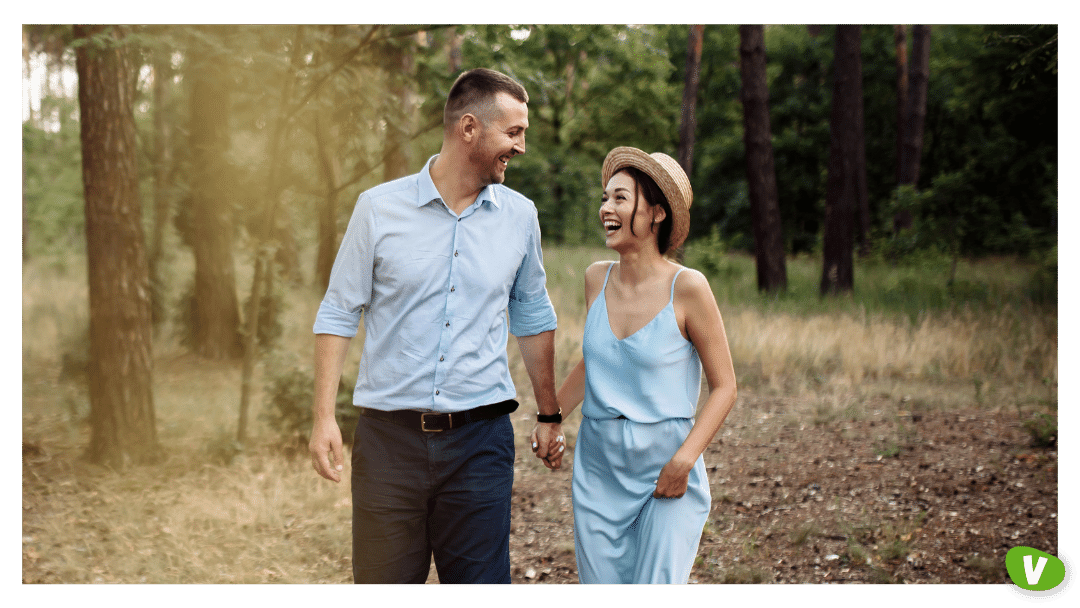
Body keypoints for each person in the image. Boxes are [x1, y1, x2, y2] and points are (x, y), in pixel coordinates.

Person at [309, 68, 563, 585]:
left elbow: (533, 317)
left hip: (479, 444)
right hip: (388, 445)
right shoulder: (378, 209)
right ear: (469, 128)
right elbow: (338, 312)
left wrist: (550, 413)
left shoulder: (520, 217)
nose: (521, 146)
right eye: (513, 132)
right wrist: (322, 419)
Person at [534, 146, 737, 584]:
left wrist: (684, 460)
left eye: (620, 198)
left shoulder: (688, 288)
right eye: (605, 198)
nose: (606, 208)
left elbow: (725, 388)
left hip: (666, 463)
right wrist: (550, 417)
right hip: (599, 467)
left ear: (657, 213)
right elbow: (597, 365)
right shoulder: (595, 278)